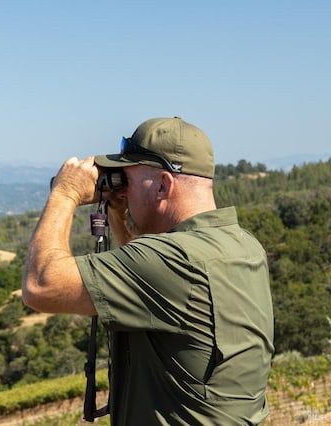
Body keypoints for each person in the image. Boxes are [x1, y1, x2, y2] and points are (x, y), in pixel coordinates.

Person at [22, 117, 274, 425]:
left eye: (127, 180)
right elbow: (151, 283)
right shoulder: (243, 245)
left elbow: (41, 285)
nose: (123, 191)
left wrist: (65, 193)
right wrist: (118, 213)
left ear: (163, 185)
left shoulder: (175, 260)